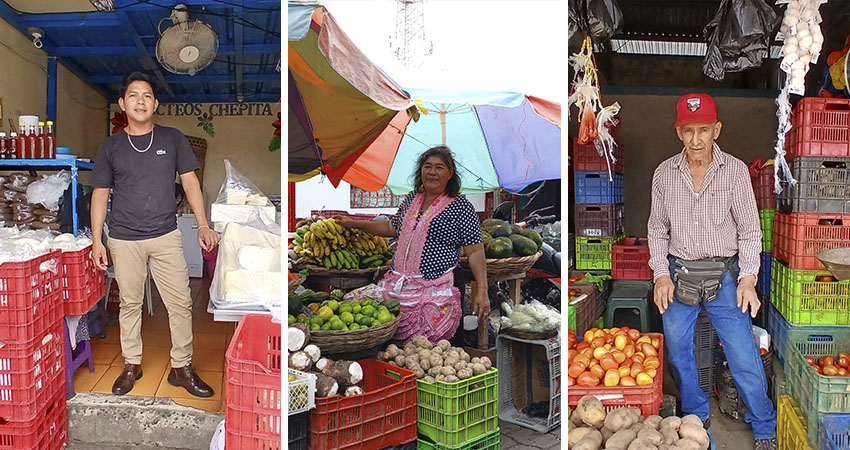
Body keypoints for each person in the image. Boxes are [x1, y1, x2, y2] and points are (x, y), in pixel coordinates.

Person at [647, 93, 776, 449]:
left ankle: (764, 424)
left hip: (725, 276)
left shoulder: (733, 171)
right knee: (678, 349)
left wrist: (748, 278)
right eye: (688, 130)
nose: (696, 139)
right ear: (678, 132)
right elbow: (657, 231)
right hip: (678, 273)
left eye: (703, 130)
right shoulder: (664, 174)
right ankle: (695, 414)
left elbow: (750, 231)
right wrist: (660, 274)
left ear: (716, 129)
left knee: (741, 352)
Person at [90, 72, 221, 397]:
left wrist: (203, 224)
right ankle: (131, 364)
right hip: (123, 238)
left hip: (165, 235)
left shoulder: (172, 138)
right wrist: (97, 240)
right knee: (130, 304)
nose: (140, 101)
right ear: (122, 103)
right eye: (133, 95)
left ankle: (182, 367)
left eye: (146, 95)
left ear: (156, 103)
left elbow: (190, 181)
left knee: (180, 303)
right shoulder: (111, 146)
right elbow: (100, 194)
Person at [333, 146, 489, 345]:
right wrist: (353, 223)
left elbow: (475, 249)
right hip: (397, 288)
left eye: (439, 168)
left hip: (433, 292)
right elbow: (392, 227)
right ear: (420, 171)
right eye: (427, 166)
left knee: (424, 348)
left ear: (450, 173)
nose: (432, 172)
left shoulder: (460, 206)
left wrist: (482, 291)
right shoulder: (412, 199)